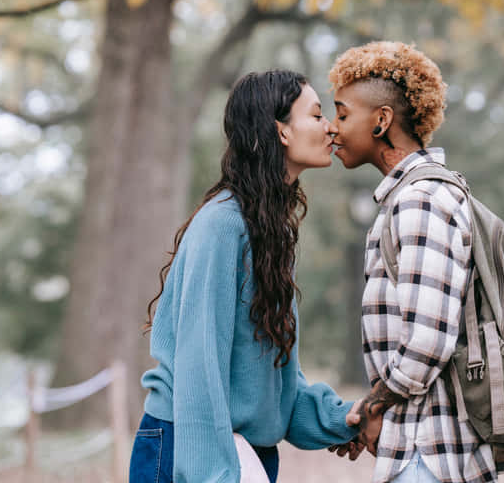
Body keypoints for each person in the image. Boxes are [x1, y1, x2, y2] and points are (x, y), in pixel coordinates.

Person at [130, 70, 361, 483]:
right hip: (190, 448)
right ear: (282, 132)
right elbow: (200, 367)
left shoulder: (268, 229)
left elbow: (273, 380)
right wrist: (215, 474)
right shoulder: (222, 224)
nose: (329, 127)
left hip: (244, 453)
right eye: (315, 115)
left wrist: (345, 418)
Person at [327, 42, 498, 483]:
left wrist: (370, 408)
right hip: (424, 449)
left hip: (430, 454)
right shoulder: (414, 198)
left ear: (381, 121)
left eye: (343, 115)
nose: (333, 128)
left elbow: (425, 344)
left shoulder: (420, 201)